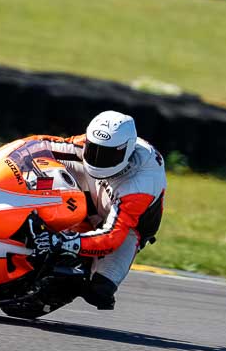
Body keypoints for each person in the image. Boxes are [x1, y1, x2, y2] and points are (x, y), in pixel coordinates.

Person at [26, 110, 167, 310]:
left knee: (99, 291)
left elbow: (111, 237)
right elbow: (41, 144)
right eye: (94, 149)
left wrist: (63, 242)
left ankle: (65, 280)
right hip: (90, 191)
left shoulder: (141, 183)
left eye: (108, 155)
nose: (98, 159)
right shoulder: (87, 143)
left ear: (127, 151)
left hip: (128, 227)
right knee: (36, 165)